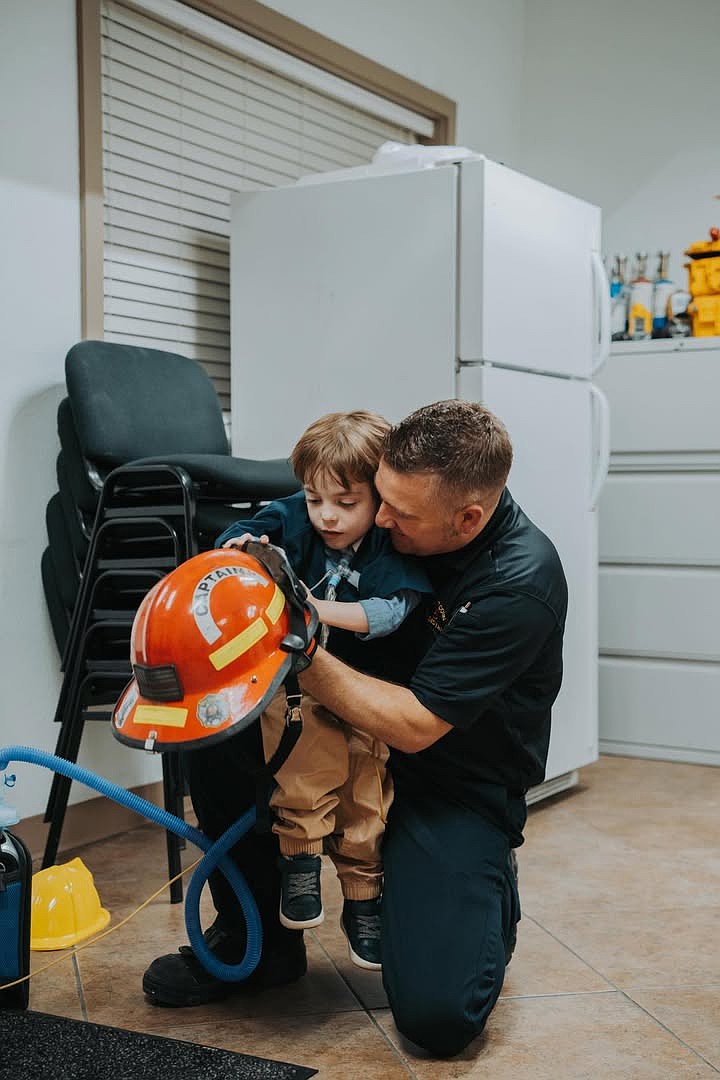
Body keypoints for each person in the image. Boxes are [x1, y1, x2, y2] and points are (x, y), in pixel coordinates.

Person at [143, 400, 568, 1060]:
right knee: (222, 733)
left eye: (400, 513)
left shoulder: (517, 583)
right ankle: (259, 942)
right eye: (379, 497)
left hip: (448, 783)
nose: (382, 520)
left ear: (467, 519)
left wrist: (294, 644)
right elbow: (296, 508)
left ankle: (482, 885)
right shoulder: (377, 510)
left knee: (437, 1021)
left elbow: (416, 726)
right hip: (335, 733)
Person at [214, 410, 431, 970]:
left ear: (379, 499)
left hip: (365, 691)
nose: (327, 515)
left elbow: (390, 612)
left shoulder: (389, 543)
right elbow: (234, 539)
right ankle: (301, 859)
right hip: (296, 691)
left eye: (345, 502)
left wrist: (309, 610)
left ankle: (362, 894)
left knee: (366, 794)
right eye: (315, 499)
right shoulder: (292, 516)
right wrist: (242, 548)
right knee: (302, 774)